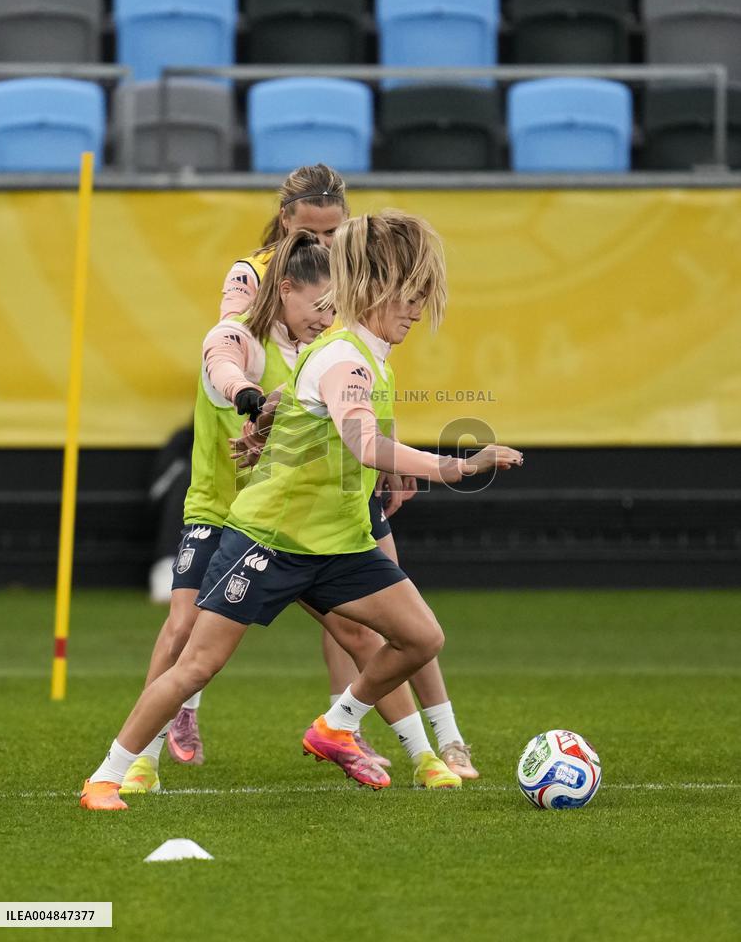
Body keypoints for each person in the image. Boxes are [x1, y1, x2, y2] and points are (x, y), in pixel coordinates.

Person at [80, 209, 523, 810]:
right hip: (271, 542)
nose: (418, 311)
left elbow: (303, 406)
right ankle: (108, 776)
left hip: (337, 545)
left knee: (421, 637)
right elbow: (362, 440)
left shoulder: (360, 354)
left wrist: (267, 426)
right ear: (376, 290)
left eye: (424, 298)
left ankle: (338, 725)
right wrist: (458, 466)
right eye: (411, 298)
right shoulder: (344, 357)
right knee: (195, 665)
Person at [167, 164, 480, 781]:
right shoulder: (252, 278)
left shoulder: (349, 288)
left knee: (380, 616)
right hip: (264, 487)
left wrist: (390, 451)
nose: (328, 245)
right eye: (315, 231)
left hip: (331, 473)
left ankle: (428, 741)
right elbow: (224, 344)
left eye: (337, 232)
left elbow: (360, 382)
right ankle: (151, 743)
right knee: (189, 628)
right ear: (286, 223)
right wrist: (251, 401)